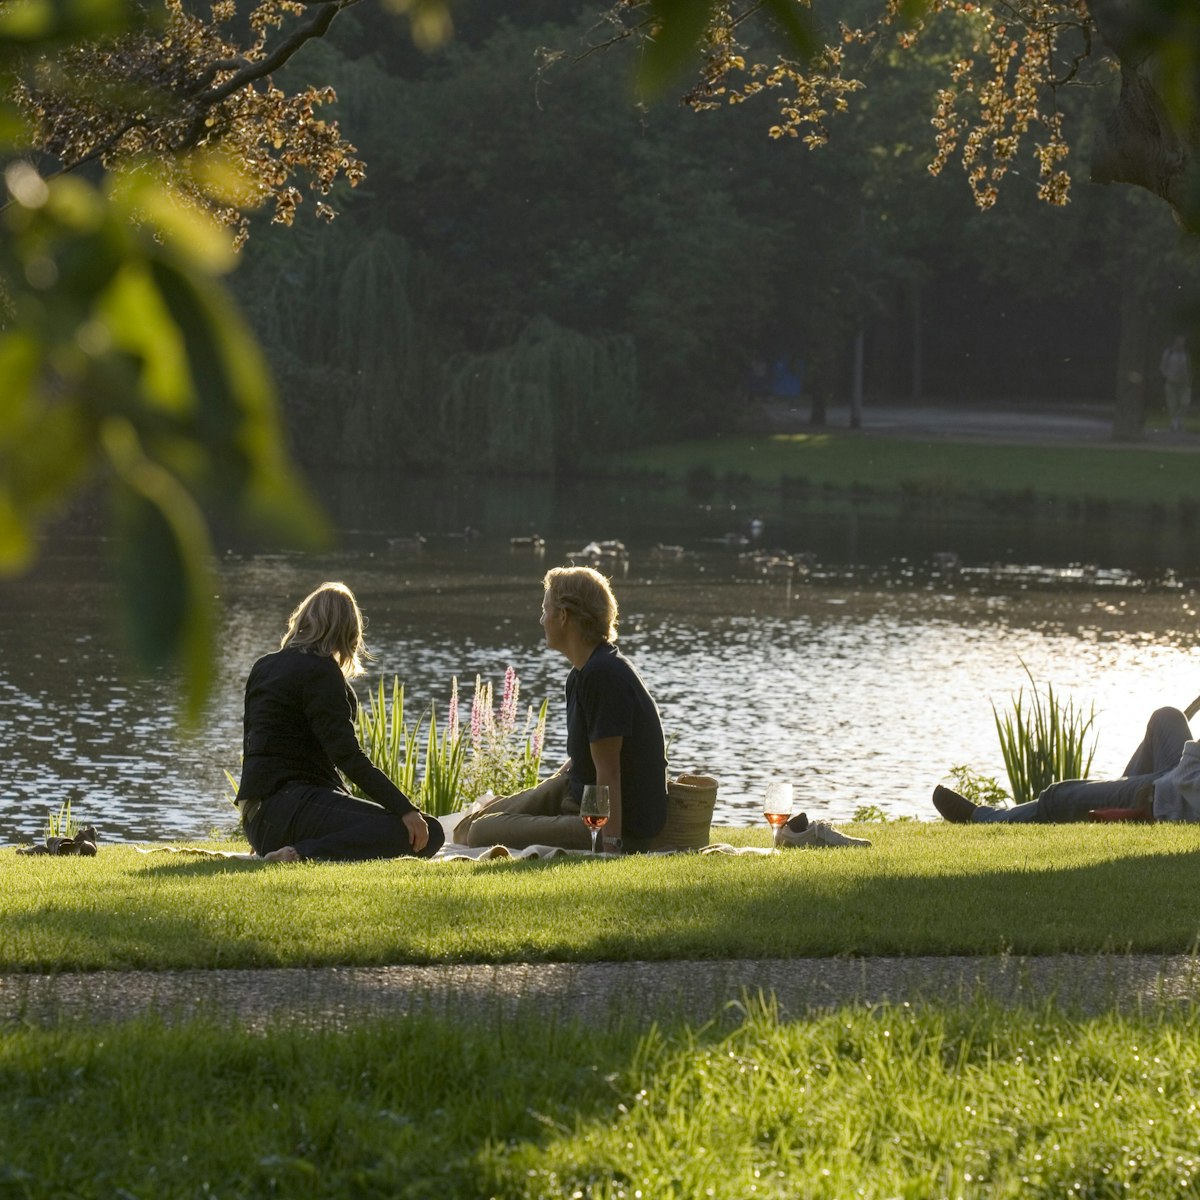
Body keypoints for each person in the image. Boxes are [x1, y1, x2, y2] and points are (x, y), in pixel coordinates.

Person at [456, 565, 668, 853]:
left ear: (563, 616)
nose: (541, 619)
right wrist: (546, 790)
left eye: (545, 610)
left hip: (605, 821)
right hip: (574, 790)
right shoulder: (581, 673)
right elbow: (584, 757)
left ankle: (578, 830)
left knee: (480, 832)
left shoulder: (603, 675)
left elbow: (610, 771)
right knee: (468, 824)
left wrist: (611, 844)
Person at [236, 581, 444, 862]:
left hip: (258, 818)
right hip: (288, 806)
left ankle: (285, 847)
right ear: (349, 631)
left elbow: (257, 748)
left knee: (396, 825)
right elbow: (347, 756)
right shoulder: (321, 672)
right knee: (426, 831)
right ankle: (300, 854)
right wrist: (405, 808)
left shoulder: (264, 666)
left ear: (303, 620)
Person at [932, 706, 1195, 824]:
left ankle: (984, 818)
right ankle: (1116, 808)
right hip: (1185, 779)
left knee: (1060, 797)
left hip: (1176, 794)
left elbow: (1186, 778)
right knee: (1166, 717)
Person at [1160, 335, 1191, 433]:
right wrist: (1166, 375)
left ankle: (1178, 418)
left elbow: (1189, 367)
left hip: (1184, 383)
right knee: (1172, 404)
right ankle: (1174, 422)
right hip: (1171, 382)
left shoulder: (1186, 354)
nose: (1181, 343)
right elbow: (1163, 366)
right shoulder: (1169, 353)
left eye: (1183, 342)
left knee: (1185, 402)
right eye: (1179, 341)